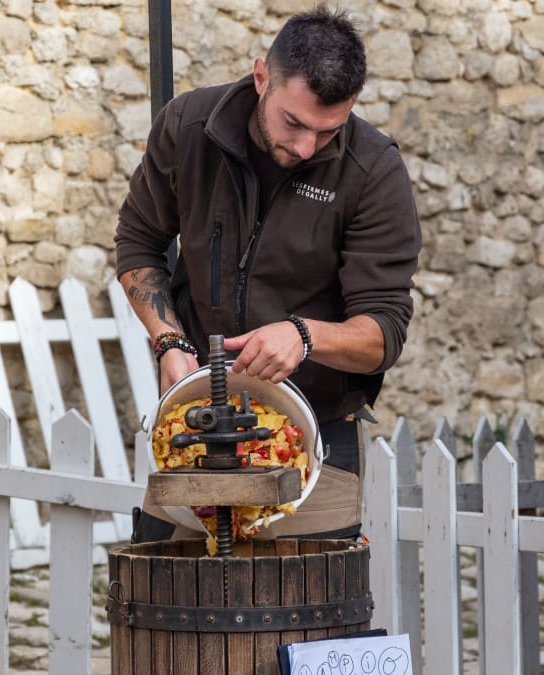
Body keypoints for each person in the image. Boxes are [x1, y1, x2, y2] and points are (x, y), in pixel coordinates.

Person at [114, 4, 421, 542]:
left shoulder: (374, 171)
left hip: (316, 439)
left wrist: (303, 336)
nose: (306, 147)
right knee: (167, 612)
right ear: (262, 77)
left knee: (315, 622)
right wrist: (168, 343)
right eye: (294, 123)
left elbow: (383, 333)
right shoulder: (188, 128)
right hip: (194, 429)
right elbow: (139, 244)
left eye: (328, 132)